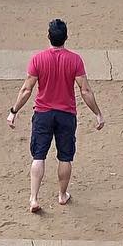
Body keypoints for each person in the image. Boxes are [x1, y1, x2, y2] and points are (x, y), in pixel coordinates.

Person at [6, 17, 105, 213]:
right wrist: (98, 114)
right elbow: (85, 90)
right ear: (66, 38)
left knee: (38, 156)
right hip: (66, 114)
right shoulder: (75, 60)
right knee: (65, 157)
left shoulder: (38, 59)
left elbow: (26, 89)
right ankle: (62, 194)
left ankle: (34, 198)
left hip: (43, 114)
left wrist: (13, 111)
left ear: (48, 36)